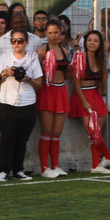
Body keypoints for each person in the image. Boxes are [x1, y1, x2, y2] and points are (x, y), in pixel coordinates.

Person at [0, 28, 43, 181]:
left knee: (22, 139)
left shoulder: (33, 59)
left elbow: (39, 84)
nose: (17, 44)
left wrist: (27, 79)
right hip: (7, 103)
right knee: (7, 138)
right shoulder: (4, 58)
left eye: (20, 41)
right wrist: (5, 73)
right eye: (13, 41)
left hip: (27, 103)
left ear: (26, 42)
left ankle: (18, 170)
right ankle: (4, 171)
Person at [68, 29, 110, 174]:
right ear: (85, 42)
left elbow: (103, 79)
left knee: (99, 132)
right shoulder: (79, 57)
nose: (92, 43)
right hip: (83, 96)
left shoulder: (101, 59)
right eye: (89, 40)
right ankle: (107, 156)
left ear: (100, 43)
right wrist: (84, 102)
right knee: (92, 132)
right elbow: (75, 83)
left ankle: (95, 165)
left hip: (95, 94)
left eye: (96, 40)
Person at [35, 21, 71, 178]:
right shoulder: (42, 51)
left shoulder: (65, 51)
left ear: (61, 33)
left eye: (56, 32)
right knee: (47, 131)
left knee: (57, 132)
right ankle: (44, 167)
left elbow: (67, 74)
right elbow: (36, 73)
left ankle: (55, 165)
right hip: (47, 91)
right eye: (50, 33)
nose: (53, 36)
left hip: (61, 90)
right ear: (46, 34)